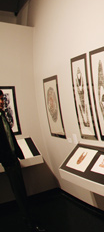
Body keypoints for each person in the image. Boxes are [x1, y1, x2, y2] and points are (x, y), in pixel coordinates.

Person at [0, 90, 45, 232]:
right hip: (7, 159)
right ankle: (28, 220)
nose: (1, 102)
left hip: (12, 158)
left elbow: (9, 138)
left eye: (2, 99)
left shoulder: (2, 116)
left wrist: (18, 153)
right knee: (19, 191)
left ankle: (27, 218)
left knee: (20, 190)